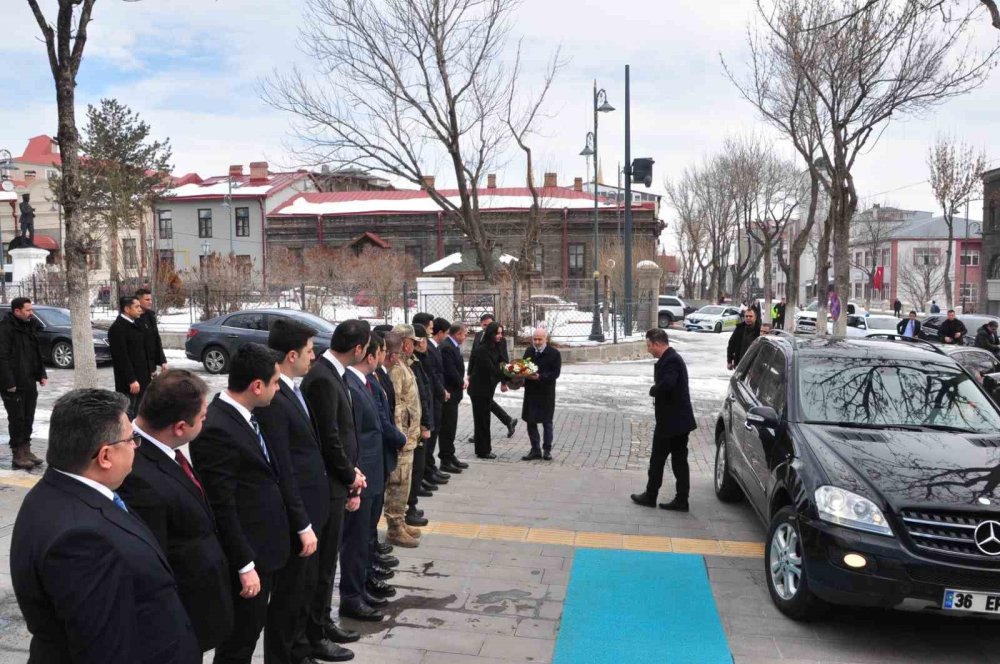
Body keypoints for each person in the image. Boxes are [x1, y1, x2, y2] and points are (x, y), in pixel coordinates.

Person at [11, 388, 200, 664]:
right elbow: (104, 650)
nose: (137, 446)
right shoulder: (81, 540)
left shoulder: (57, 491)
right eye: (131, 439)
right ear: (105, 456)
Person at [255, 318, 354, 664]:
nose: (314, 358)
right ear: (292, 354)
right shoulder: (274, 397)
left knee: (304, 589)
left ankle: (299, 650)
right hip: (299, 515)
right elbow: (284, 467)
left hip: (315, 508)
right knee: (289, 596)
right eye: (310, 351)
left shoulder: (292, 390)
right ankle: (286, 655)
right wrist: (300, 520)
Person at [117, 369, 234, 653]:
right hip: (179, 619)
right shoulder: (135, 473)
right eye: (203, 419)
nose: (205, 423)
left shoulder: (166, 451)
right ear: (180, 427)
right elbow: (154, 565)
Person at [190, 343, 290, 664]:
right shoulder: (217, 428)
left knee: (250, 633)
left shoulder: (246, 416)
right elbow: (223, 505)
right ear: (256, 386)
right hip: (248, 557)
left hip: (264, 549)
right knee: (239, 642)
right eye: (275, 382)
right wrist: (245, 565)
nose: (279, 388)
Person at [300, 320, 370, 631]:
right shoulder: (323, 379)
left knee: (328, 563)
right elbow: (329, 437)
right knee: (324, 564)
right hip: (328, 484)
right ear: (358, 349)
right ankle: (319, 627)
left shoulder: (333, 374)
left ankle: (322, 623)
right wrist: (348, 474)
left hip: (339, 480)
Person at [341, 335, 404, 623]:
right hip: (363, 473)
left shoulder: (366, 381)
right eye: (379, 351)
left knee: (367, 536)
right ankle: (352, 596)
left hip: (375, 469)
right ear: (369, 355)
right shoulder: (350, 384)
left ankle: (364, 585)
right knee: (356, 540)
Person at [631, 329, 697, 512]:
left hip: (671, 422)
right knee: (678, 461)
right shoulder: (670, 358)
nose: (648, 349)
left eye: (649, 345)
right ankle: (680, 499)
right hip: (677, 421)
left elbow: (668, 384)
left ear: (657, 344)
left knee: (659, 460)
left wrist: (654, 389)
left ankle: (652, 496)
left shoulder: (671, 360)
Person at [365, 332, 407, 595]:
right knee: (361, 529)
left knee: (370, 521)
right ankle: (361, 581)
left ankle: (371, 563)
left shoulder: (376, 376)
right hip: (371, 459)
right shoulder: (362, 381)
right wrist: (398, 437)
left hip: (380, 456)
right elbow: (379, 419)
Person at [386, 324, 423, 547]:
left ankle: (399, 520)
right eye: (412, 342)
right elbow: (396, 405)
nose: (415, 346)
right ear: (405, 342)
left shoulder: (404, 364)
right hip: (403, 439)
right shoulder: (396, 368)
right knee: (398, 482)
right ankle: (394, 526)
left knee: (405, 481)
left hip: (410, 436)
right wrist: (401, 437)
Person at [0, 297, 48, 470]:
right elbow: (2, 357)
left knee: (28, 416)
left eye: (31, 309)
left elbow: (36, 352)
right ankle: (18, 453)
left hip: (28, 381)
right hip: (13, 383)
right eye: (27, 310)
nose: (31, 313)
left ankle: (26, 449)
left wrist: (41, 374)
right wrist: (8, 382)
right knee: (17, 418)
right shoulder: (5, 329)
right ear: (16, 311)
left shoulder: (29, 326)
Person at [413, 313, 450, 488]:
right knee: (423, 444)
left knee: (431, 438)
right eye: (430, 327)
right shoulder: (417, 355)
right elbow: (430, 374)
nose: (432, 330)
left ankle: (427, 470)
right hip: (426, 400)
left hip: (432, 397)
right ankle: (422, 475)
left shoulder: (429, 349)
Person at [467, 313, 517, 441]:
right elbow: (473, 356)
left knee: (484, 402)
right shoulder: (478, 336)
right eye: (484, 325)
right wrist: (469, 374)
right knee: (483, 402)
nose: (486, 327)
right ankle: (507, 421)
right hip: (477, 376)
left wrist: (504, 382)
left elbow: (503, 360)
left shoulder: (501, 339)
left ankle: (480, 433)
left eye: (489, 324)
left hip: (491, 377)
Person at [468, 321, 510, 459]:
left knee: (485, 419)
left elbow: (503, 362)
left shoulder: (495, 346)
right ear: (491, 334)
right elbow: (491, 369)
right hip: (479, 390)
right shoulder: (482, 349)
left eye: (501, 333)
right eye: (497, 333)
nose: (500, 336)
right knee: (482, 420)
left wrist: (513, 372)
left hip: (487, 389)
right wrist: (509, 375)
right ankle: (483, 450)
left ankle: (484, 449)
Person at [108, 295, 153, 419]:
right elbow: (121, 357)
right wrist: (131, 379)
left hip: (142, 378)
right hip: (130, 383)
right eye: (136, 306)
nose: (140, 309)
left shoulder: (135, 324)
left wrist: (150, 371)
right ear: (127, 309)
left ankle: (136, 436)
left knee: (140, 412)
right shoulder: (118, 328)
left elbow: (142, 351)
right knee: (128, 413)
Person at [520, 328, 562, 461]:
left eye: (540, 339)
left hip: (546, 393)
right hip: (531, 391)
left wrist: (541, 377)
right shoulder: (529, 351)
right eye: (535, 339)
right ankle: (535, 449)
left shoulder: (554, 353)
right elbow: (523, 368)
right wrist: (520, 378)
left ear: (546, 339)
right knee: (530, 420)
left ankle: (547, 449)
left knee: (546, 421)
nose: (537, 342)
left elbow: (555, 373)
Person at [438, 322, 469, 473]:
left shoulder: (452, 346)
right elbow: (449, 370)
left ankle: (450, 455)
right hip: (449, 394)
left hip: (454, 393)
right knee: (447, 428)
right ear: (457, 334)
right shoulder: (447, 347)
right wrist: (461, 382)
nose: (466, 336)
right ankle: (445, 458)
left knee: (451, 427)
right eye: (464, 333)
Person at [136, 287, 168, 376]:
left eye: (151, 299)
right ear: (138, 300)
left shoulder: (151, 316)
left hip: (151, 366)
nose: (150, 302)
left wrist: (163, 361)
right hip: (139, 367)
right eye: (147, 299)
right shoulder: (134, 319)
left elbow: (156, 339)